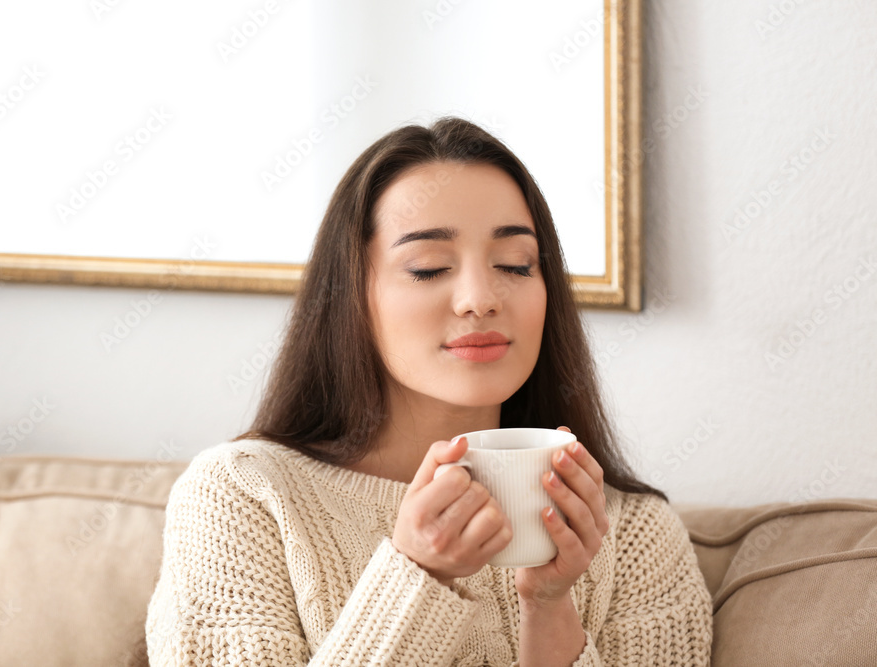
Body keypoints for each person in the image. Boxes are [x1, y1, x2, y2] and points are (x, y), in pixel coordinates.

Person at [145, 117, 713, 665]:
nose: (479, 298)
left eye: (516, 265)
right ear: (351, 295)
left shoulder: (635, 532)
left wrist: (548, 607)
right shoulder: (243, 496)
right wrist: (417, 575)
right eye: (427, 267)